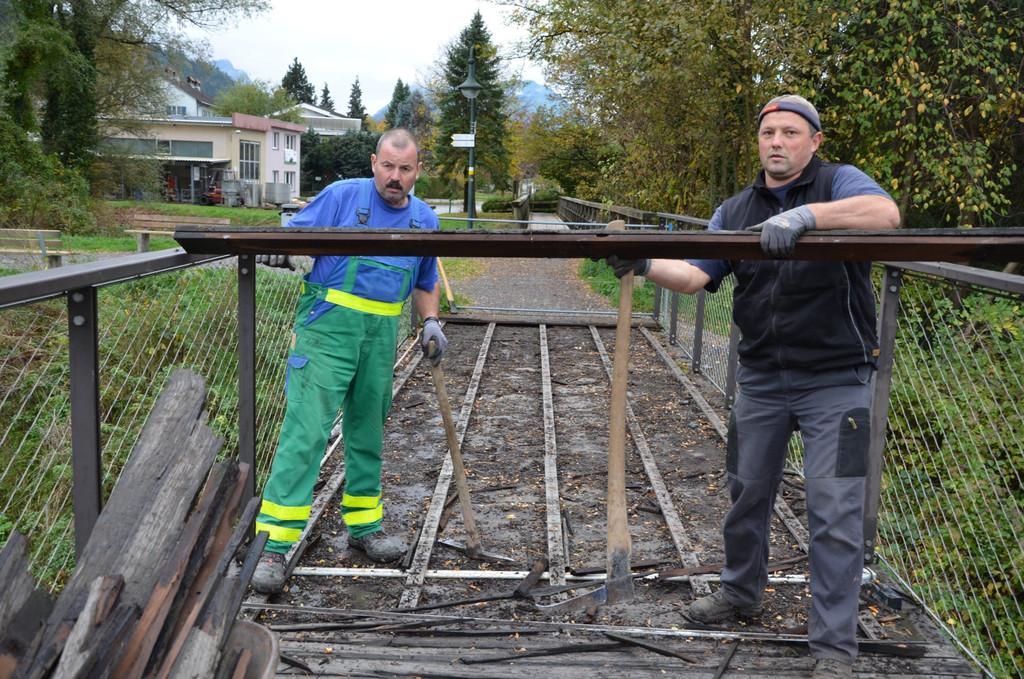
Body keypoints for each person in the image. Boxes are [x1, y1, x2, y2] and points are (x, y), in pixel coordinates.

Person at [605, 95, 900, 679]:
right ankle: (741, 593)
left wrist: (805, 218)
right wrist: (643, 264)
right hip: (762, 379)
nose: (777, 142)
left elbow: (885, 216)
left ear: (814, 141)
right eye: (769, 133)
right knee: (746, 492)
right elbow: (694, 274)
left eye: (791, 132)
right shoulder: (736, 209)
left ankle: (833, 649)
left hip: (838, 381)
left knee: (834, 510)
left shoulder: (839, 182)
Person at [251, 128, 447, 595]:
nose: (394, 177)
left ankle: (364, 528)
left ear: (418, 171)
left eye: (404, 169)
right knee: (305, 433)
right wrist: (282, 247)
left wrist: (431, 321)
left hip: (381, 338)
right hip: (327, 330)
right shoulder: (342, 196)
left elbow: (425, 281)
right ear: (374, 162)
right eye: (387, 166)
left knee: (367, 433)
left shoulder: (424, 220)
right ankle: (273, 545)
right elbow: (294, 238)